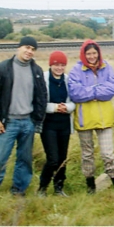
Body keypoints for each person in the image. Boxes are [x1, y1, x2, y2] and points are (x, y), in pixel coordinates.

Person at [68, 39, 114, 194]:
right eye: (88, 53)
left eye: (94, 53)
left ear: (98, 53)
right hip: (85, 119)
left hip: (104, 119)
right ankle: (90, 185)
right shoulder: (76, 70)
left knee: (107, 153)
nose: (91, 56)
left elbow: (111, 89)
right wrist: (98, 90)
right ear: (83, 54)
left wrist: (89, 91)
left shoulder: (107, 67)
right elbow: (75, 93)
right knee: (87, 154)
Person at [0, 36, 47, 196]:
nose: (29, 51)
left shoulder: (36, 70)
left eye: (33, 49)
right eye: (27, 47)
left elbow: (42, 95)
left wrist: (37, 119)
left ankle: (19, 190)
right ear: (19, 47)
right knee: (1, 158)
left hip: (28, 121)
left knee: (24, 159)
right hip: (8, 122)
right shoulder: (4, 68)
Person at [37, 51, 75, 197]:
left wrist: (67, 107)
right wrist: (54, 107)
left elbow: (74, 101)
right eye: (56, 64)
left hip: (64, 124)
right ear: (51, 64)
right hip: (49, 125)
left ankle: (59, 187)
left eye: (62, 65)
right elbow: (39, 103)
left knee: (62, 158)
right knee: (52, 159)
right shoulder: (44, 79)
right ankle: (42, 187)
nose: (59, 68)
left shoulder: (68, 79)